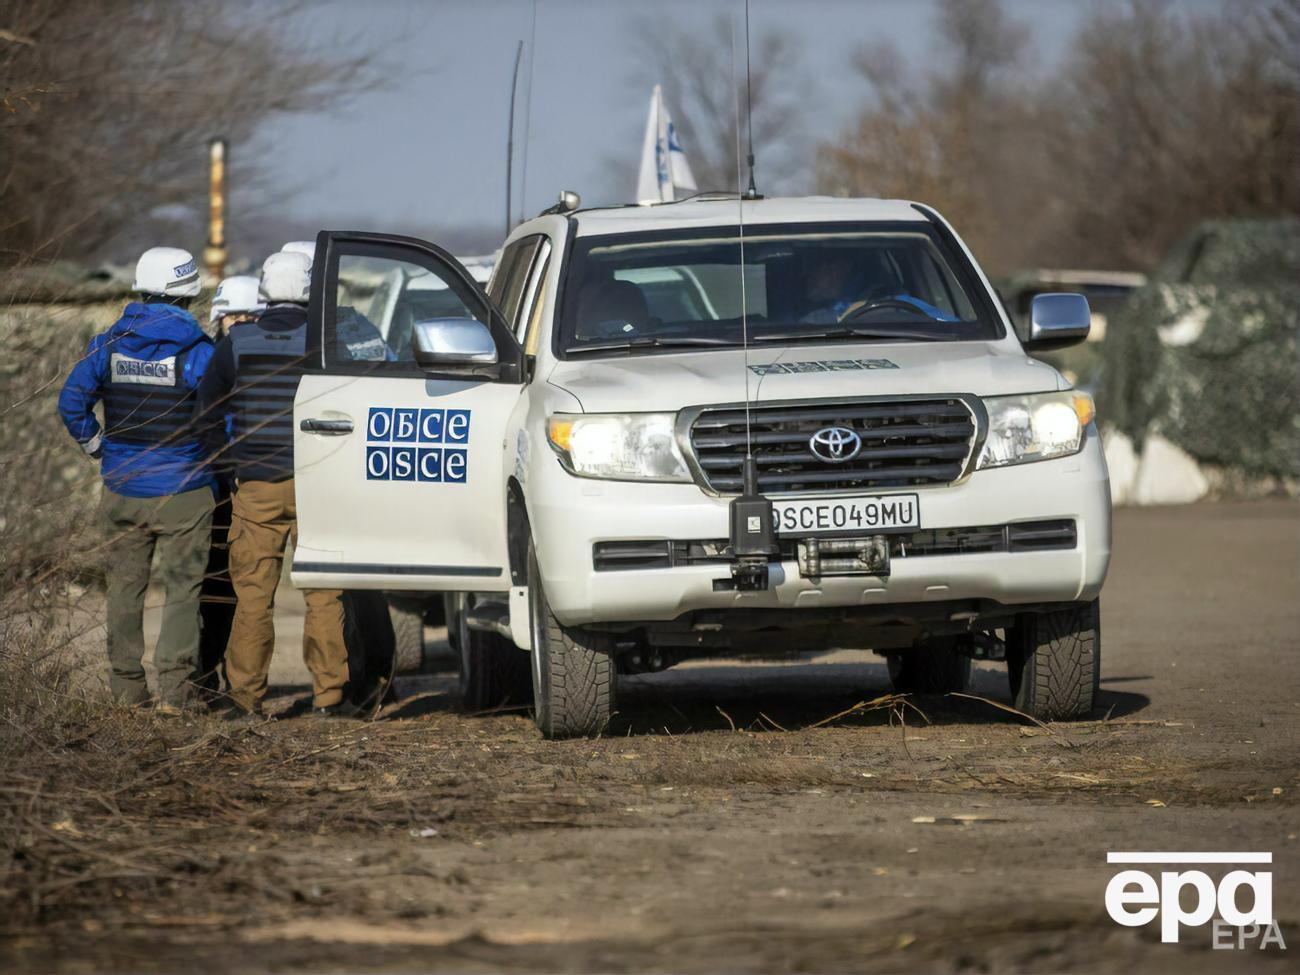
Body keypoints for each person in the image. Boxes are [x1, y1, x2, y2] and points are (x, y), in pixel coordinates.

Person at [57, 246, 216, 711]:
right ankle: (177, 693)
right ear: (188, 294)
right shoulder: (199, 351)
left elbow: (72, 404)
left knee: (125, 591)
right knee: (183, 591)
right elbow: (220, 420)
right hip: (185, 490)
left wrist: (98, 447)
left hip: (122, 487)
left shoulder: (107, 344)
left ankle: (127, 692)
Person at [194, 252, 351, 719]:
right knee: (324, 595)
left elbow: (205, 416)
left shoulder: (237, 341)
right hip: (317, 487)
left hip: (256, 486)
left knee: (252, 598)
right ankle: (331, 697)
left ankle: (245, 699)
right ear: (309, 289)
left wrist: (229, 469)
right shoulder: (326, 341)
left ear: (264, 290)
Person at [195, 276, 265, 698]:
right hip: (217, 483)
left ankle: (226, 674)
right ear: (218, 319)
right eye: (232, 316)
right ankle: (205, 674)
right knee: (213, 585)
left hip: (249, 480)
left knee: (241, 587)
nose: (239, 323)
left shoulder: (259, 356)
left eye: (248, 316)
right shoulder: (206, 358)